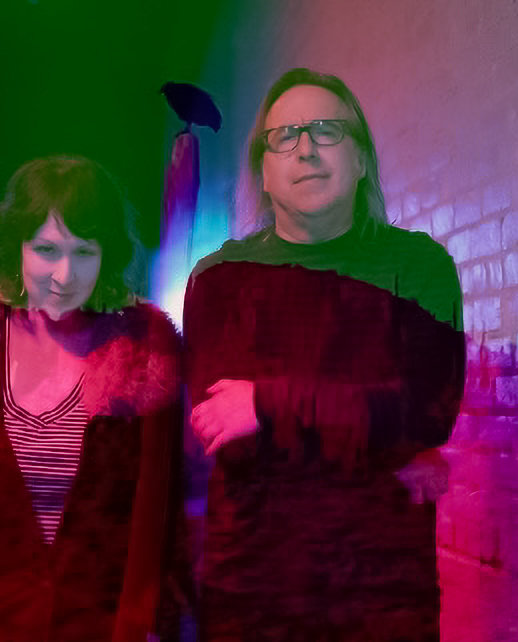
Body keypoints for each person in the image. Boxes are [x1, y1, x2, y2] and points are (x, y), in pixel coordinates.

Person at [184, 68, 465, 641]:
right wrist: (372, 431)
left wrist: (266, 403)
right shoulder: (218, 279)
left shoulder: (418, 266)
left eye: (327, 130)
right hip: (251, 590)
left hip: (383, 595)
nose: (306, 148)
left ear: (361, 159)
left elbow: (425, 414)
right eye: (284, 136)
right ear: (264, 171)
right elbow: (225, 434)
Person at [0, 156, 185, 641]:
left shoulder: (142, 356)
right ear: (17, 247)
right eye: (46, 249)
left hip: (95, 628)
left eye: (84, 252)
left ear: (107, 255)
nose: (64, 275)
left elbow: (165, 517)